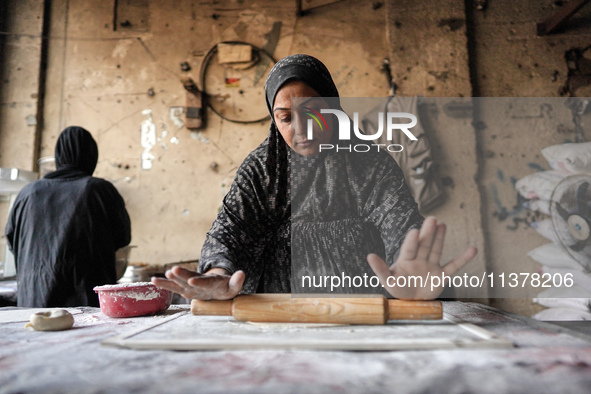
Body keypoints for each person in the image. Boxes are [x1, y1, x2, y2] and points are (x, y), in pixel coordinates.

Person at [153, 54, 476, 301]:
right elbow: (231, 232)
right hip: (276, 314)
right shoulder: (261, 170)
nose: (302, 128)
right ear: (273, 119)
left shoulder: (369, 163)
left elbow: (401, 223)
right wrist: (219, 272)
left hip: (361, 313)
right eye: (285, 118)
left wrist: (408, 269)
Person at [5, 126, 131, 307]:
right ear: (91, 156)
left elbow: (12, 242)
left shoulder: (28, 193)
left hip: (33, 303)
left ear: (58, 157)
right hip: (87, 305)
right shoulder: (99, 190)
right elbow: (123, 238)